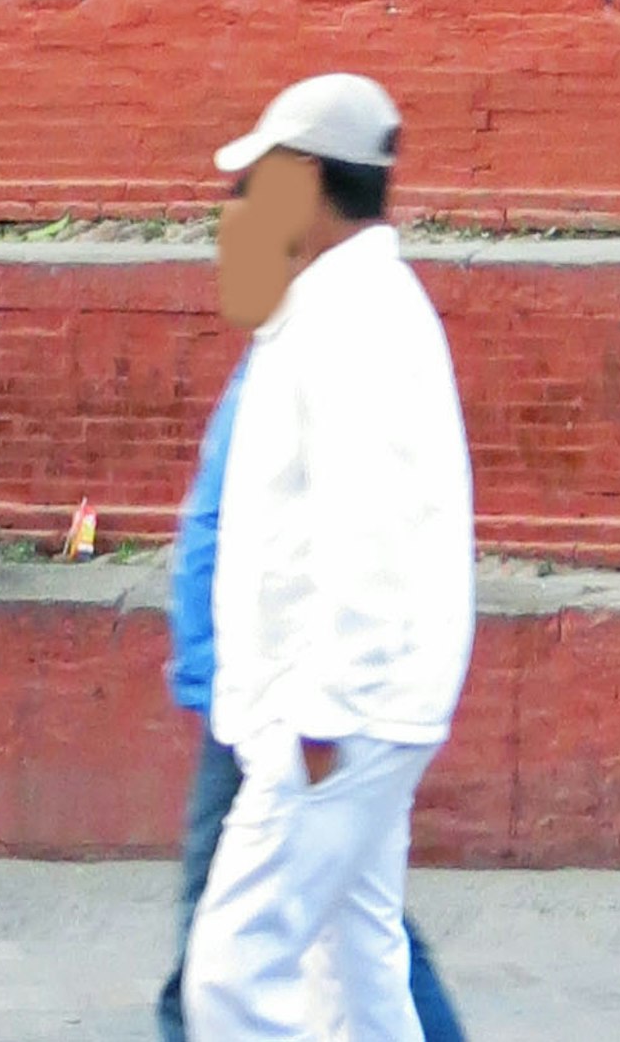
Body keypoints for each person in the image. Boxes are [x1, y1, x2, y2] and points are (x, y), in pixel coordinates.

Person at [181, 71, 476, 1042]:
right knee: (355, 966)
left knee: (230, 974)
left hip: (335, 717)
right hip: (357, 710)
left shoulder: (353, 319)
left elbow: (371, 531)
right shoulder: (351, 306)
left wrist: (321, 713)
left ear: (305, 177)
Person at [164, 356, 465, 1042]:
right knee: (354, 939)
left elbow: (350, 547)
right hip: (252, 694)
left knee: (222, 959)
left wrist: (315, 715)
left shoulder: (322, 354)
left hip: (283, 706)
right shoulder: (282, 354)